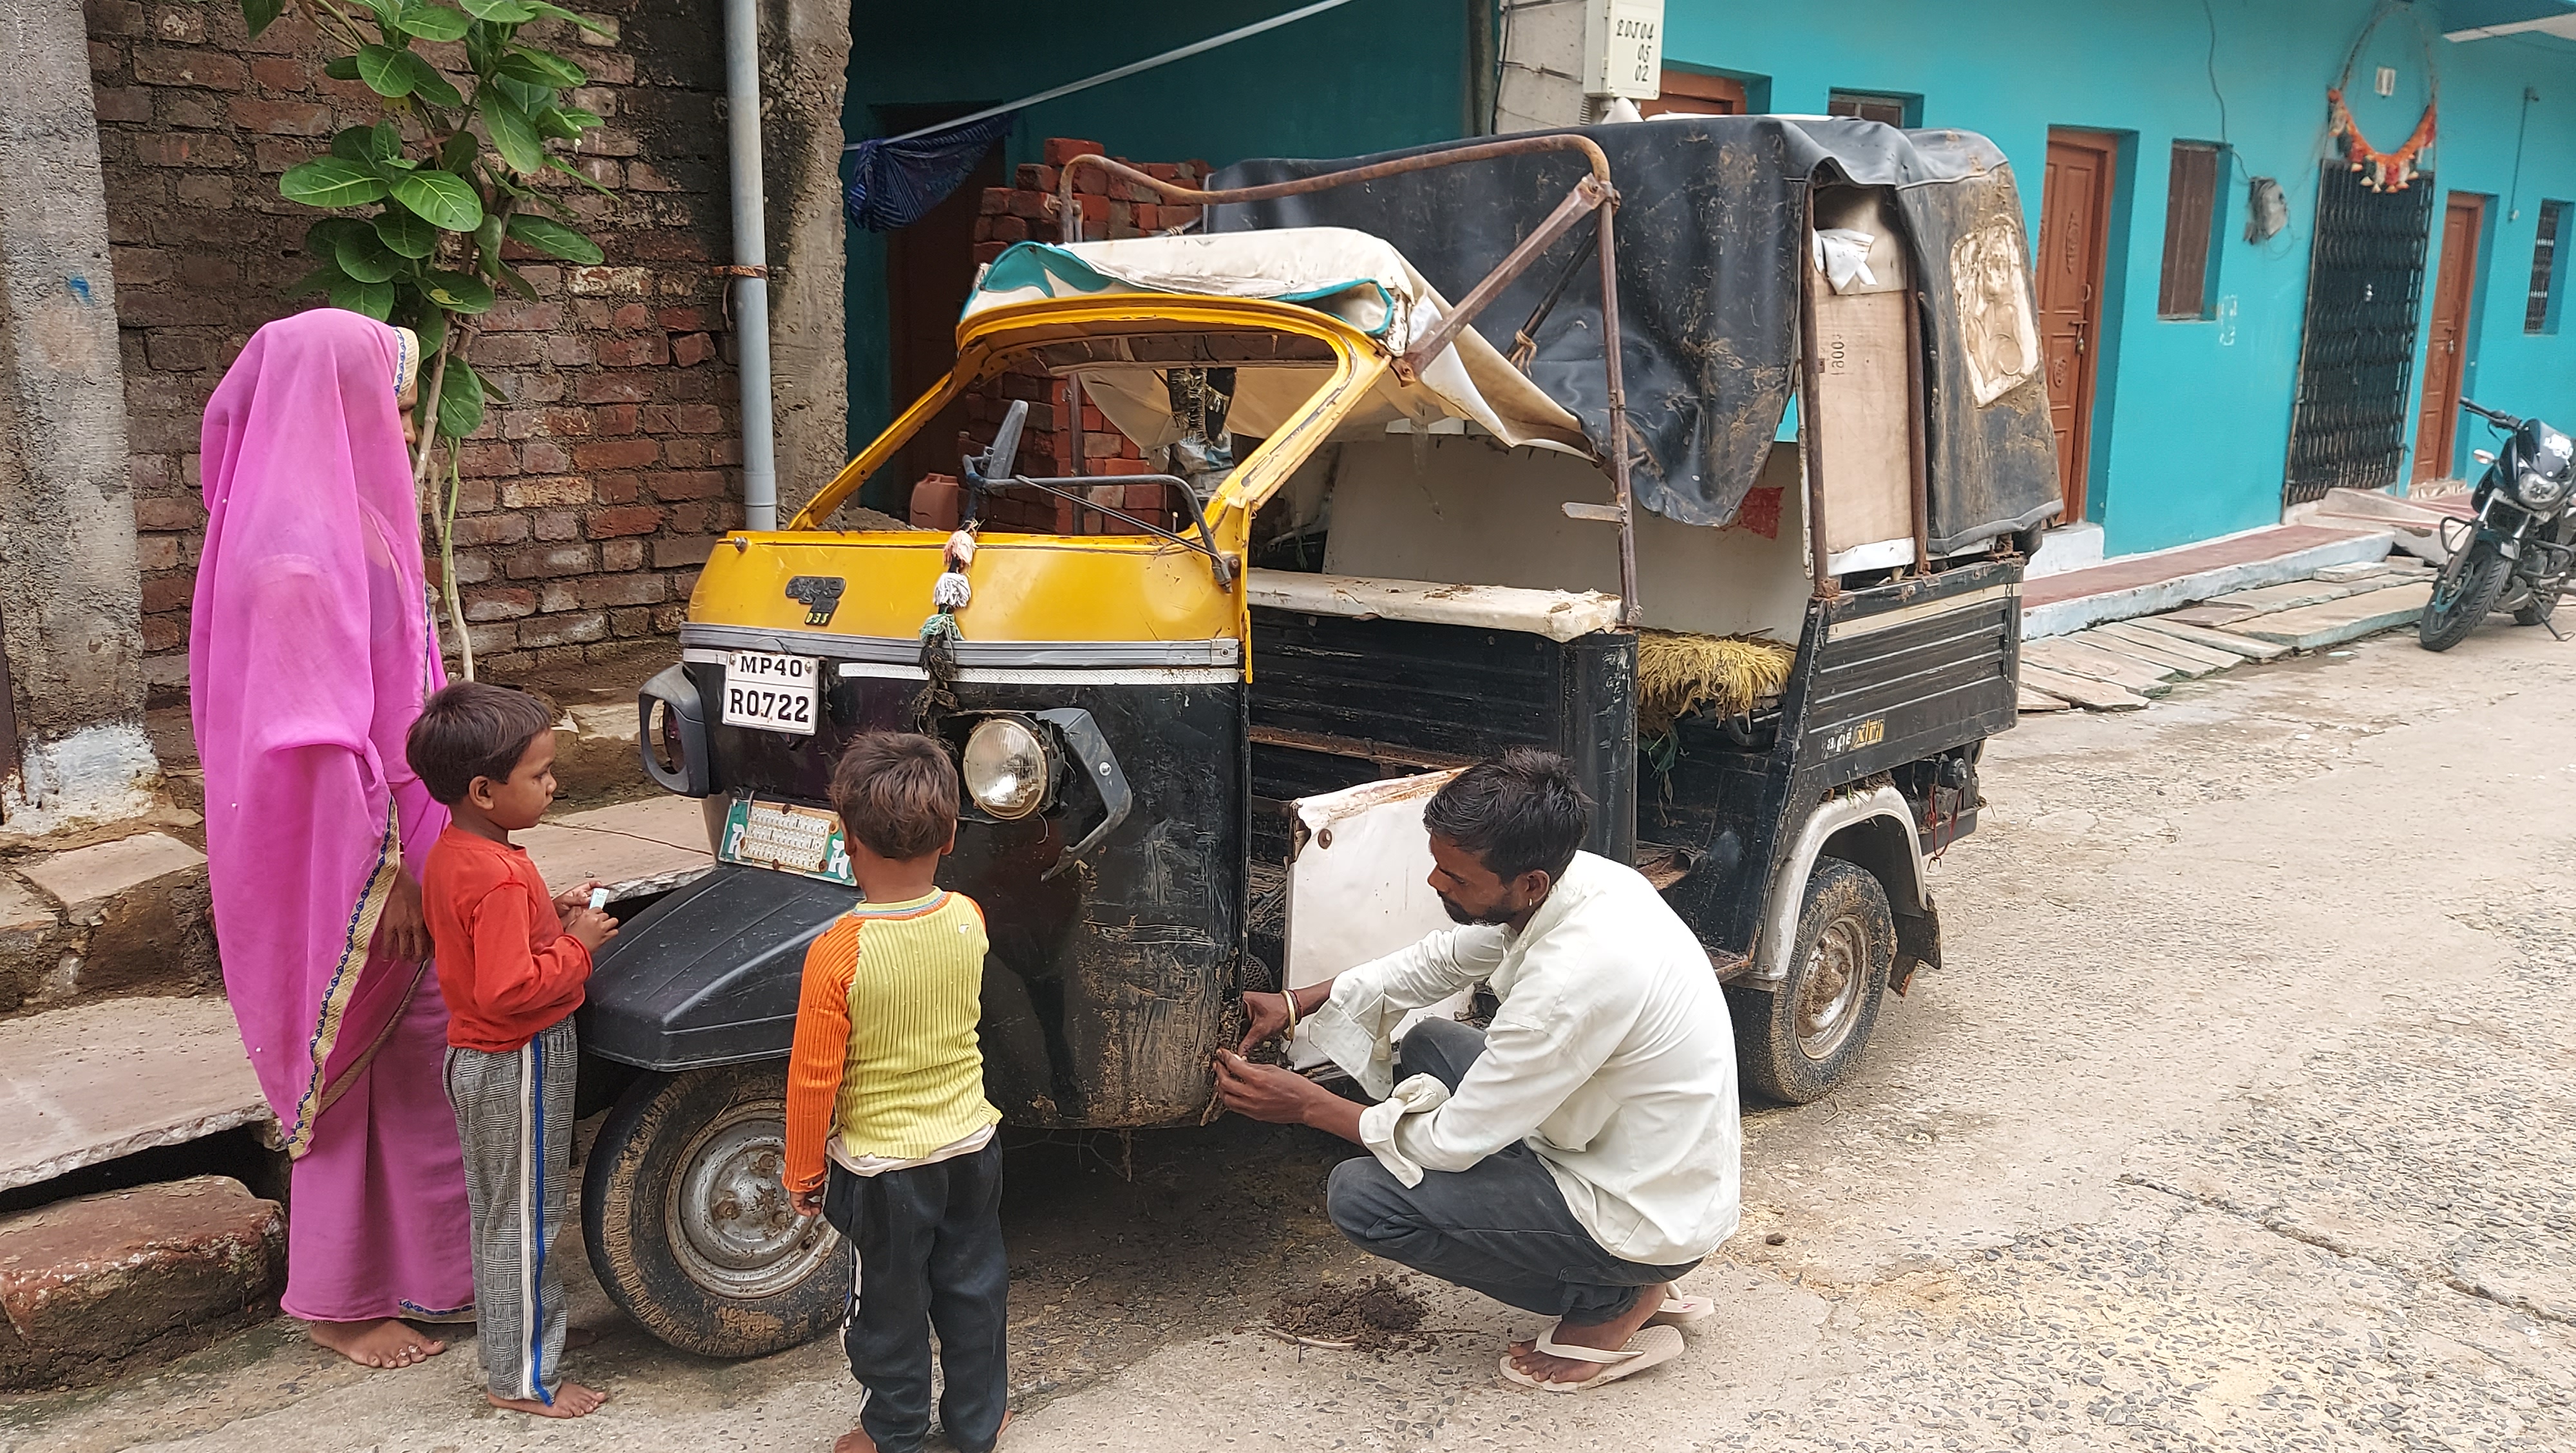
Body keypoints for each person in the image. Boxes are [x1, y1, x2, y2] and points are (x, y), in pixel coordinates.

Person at [1213, 748, 1741, 1392]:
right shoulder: (1582, 883)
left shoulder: (1572, 981)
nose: (1437, 884)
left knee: (1363, 1199)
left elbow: (1449, 1142)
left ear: (1529, 884)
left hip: (1642, 1208)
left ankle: (1614, 1296)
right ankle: (1614, 1273)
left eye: (1454, 877)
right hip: (1623, 1146)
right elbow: (1441, 960)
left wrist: (1304, 1105)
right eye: (1436, 865)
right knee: (1432, 1041)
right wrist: (1300, 1002)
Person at [193, 307, 473, 1368]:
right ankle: (337, 1296)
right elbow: (314, 741)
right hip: (351, 858)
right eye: (392, 406)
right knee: (356, 1055)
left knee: (418, 1059)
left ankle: (434, 1274)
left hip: (404, 835)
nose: (406, 430)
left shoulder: (340, 519)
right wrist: (386, 870)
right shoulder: (298, 556)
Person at [783, 733, 1009, 1453]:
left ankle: (896, 1431)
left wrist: (802, 1171)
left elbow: (813, 1075)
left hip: (881, 1169)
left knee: (887, 1305)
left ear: (844, 839)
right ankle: (977, 1423)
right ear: (950, 834)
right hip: (972, 1145)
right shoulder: (968, 918)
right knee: (974, 1289)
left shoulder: (839, 951)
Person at [407, 681, 620, 1418]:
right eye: (539, 774)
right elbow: (508, 989)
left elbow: (482, 949)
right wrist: (577, 947)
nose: (553, 784)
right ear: (483, 791)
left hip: (476, 1060)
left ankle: (520, 1343)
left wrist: (551, 916)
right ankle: (524, 1379)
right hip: (518, 1057)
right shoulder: (497, 873)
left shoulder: (460, 853)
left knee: (500, 1212)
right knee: (526, 1219)